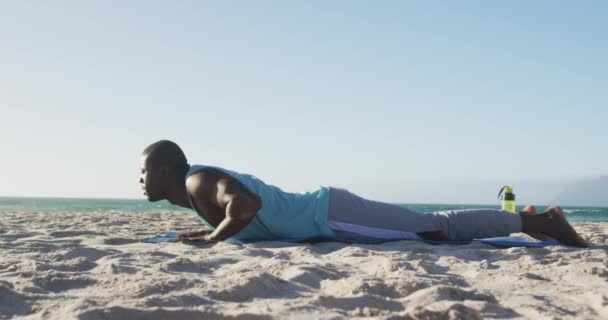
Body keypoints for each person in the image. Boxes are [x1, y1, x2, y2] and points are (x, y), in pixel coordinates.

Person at [139, 140, 588, 247]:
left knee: (435, 229)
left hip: (329, 215)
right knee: (429, 233)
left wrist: (214, 240)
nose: (139, 182)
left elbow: (247, 204)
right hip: (327, 219)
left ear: (165, 170)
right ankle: (527, 220)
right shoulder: (196, 192)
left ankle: (540, 222)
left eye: (143, 173)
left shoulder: (197, 180)